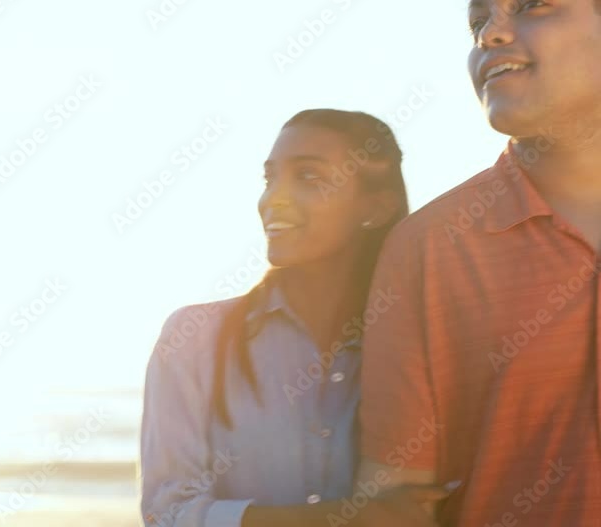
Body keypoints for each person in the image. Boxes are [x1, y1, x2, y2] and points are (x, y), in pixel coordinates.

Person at [139, 109, 453, 527]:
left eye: (308, 176)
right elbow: (168, 514)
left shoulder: (422, 343)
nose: (275, 198)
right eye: (270, 178)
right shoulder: (193, 338)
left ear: (376, 207)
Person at [356, 1, 601, 525]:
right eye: (477, 22)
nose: (490, 34)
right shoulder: (428, 249)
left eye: (533, 5)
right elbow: (393, 502)